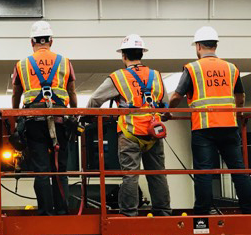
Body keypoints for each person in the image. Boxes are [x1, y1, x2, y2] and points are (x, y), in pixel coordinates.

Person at [87, 34, 171, 217]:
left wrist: (88, 117)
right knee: (158, 173)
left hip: (130, 133)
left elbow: (95, 100)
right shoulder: (155, 75)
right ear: (142, 53)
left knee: (131, 175)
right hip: (154, 133)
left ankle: (129, 214)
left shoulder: (119, 77)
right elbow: (165, 107)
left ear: (123, 55)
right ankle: (163, 212)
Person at [169, 26, 251, 215]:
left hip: (204, 128)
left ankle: (203, 213)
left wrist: (167, 111)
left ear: (198, 46)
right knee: (238, 170)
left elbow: (176, 96)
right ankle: (248, 210)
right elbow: (240, 96)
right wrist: (237, 113)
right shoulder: (231, 68)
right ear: (215, 45)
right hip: (230, 126)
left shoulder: (193, 68)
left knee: (204, 171)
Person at [11, 20, 77, 216]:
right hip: (60, 120)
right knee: (60, 168)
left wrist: (15, 120)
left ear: (32, 42)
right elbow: (72, 92)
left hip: (34, 121)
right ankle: (62, 211)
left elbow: (16, 94)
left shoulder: (22, 64)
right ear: (51, 41)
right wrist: (74, 116)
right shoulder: (65, 62)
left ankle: (45, 211)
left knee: (41, 168)